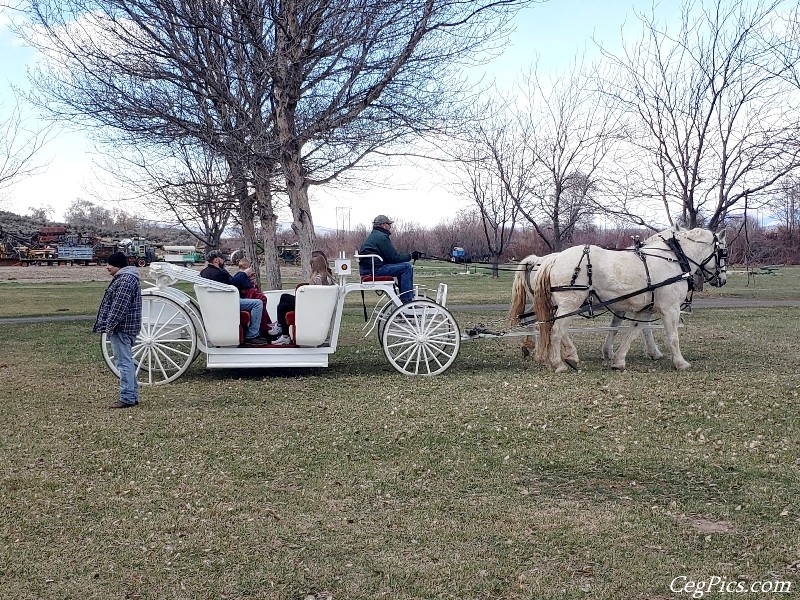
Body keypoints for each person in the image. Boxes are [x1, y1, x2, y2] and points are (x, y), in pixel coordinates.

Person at [93, 251, 142, 409]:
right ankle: (132, 395)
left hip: (122, 328)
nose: (107, 267)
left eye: (110, 264)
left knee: (123, 363)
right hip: (127, 327)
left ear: (119, 265)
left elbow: (118, 308)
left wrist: (110, 326)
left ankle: (127, 397)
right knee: (127, 361)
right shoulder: (127, 278)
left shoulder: (125, 281)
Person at [200, 250, 269, 346]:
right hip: (227, 301)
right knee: (257, 303)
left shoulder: (205, 272)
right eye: (222, 259)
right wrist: (244, 274)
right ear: (216, 260)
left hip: (219, 300)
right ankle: (252, 335)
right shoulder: (219, 273)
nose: (223, 261)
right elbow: (233, 285)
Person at [269, 250, 335, 345]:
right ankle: (284, 336)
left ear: (316, 265)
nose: (310, 266)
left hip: (310, 305)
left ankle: (280, 328)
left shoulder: (318, 279)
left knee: (284, 297)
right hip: (311, 302)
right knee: (283, 306)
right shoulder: (324, 276)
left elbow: (314, 294)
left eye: (312, 264)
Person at [358, 214, 420, 303]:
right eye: (389, 224)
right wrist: (410, 256)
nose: (390, 226)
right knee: (406, 267)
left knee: (402, 267)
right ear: (383, 225)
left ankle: (403, 298)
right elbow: (394, 258)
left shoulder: (374, 236)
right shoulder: (382, 237)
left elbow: (390, 257)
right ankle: (407, 300)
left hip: (369, 269)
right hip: (375, 270)